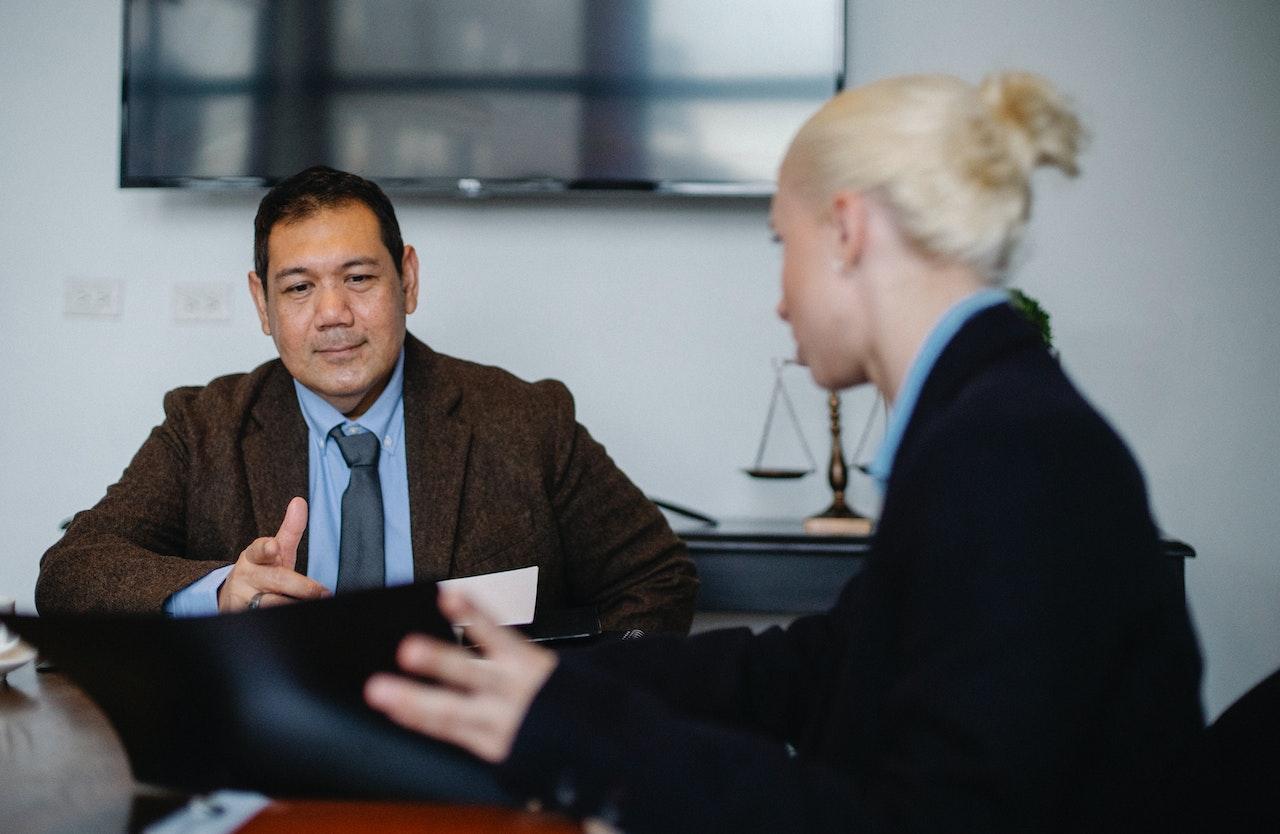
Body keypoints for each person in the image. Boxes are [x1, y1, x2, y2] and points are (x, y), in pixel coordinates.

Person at [362, 72, 1204, 832]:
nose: (778, 299)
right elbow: (812, 669)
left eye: (780, 244)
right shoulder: (985, 426)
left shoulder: (1012, 456)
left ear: (845, 230)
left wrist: (586, 738)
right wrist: (560, 689)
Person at [36, 167, 697, 635]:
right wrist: (222, 593)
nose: (333, 315)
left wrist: (573, 714)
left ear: (407, 279)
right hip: (278, 754)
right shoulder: (203, 426)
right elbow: (73, 574)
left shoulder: (524, 419)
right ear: (260, 303)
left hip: (475, 757)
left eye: (358, 278)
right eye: (298, 288)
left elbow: (658, 579)